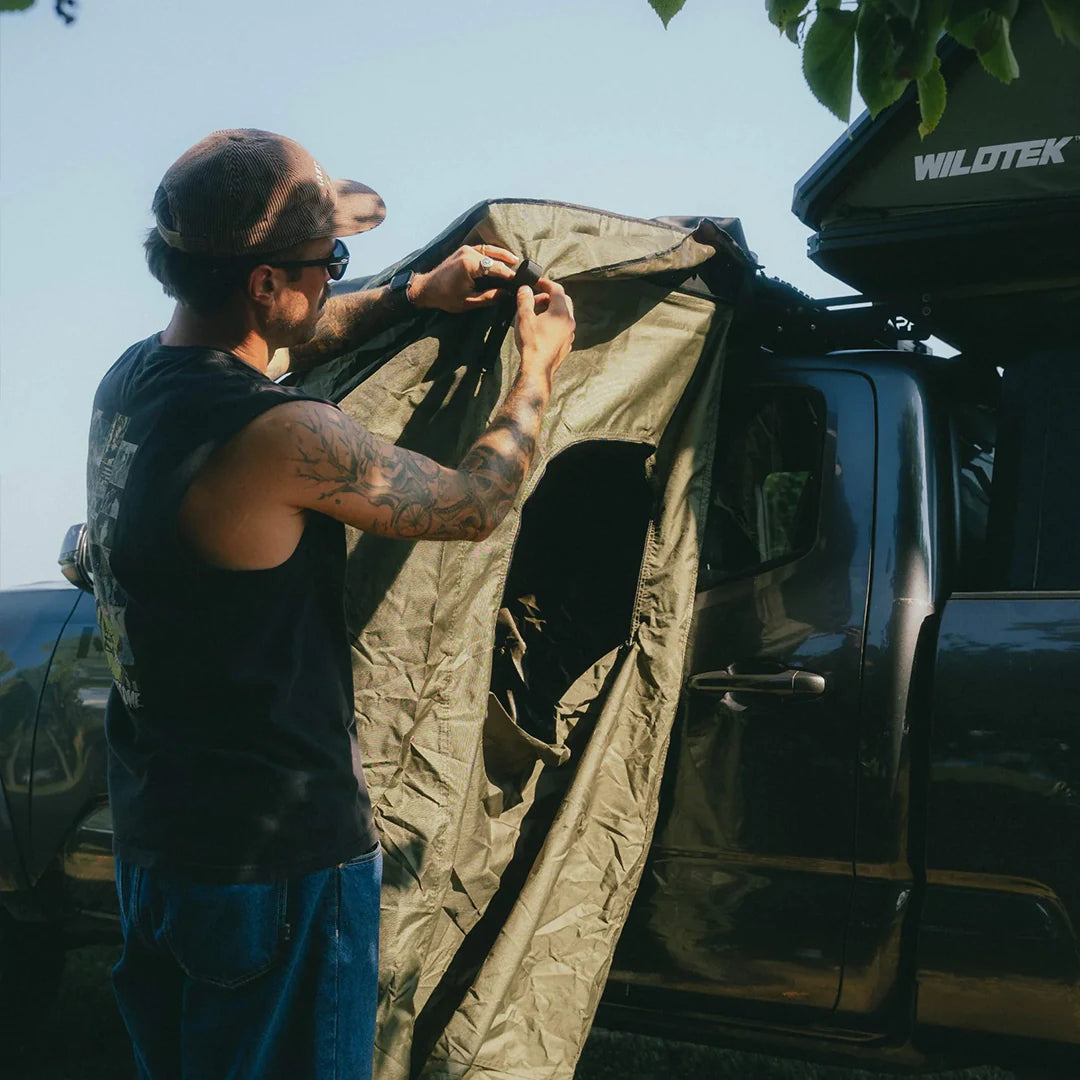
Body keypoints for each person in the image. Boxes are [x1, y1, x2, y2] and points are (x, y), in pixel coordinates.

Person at [85, 128, 575, 1080]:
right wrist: (537, 370)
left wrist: (410, 294)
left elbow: (285, 336)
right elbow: (472, 506)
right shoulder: (277, 435)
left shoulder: (130, 383)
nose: (333, 280)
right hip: (277, 871)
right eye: (330, 263)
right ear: (266, 284)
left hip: (162, 844)